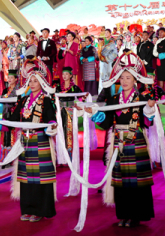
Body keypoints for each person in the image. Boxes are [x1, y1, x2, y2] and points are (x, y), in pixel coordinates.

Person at [85, 53, 158, 227]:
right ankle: (123, 215)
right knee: (121, 180)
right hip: (118, 143)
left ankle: (136, 215)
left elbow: (148, 123)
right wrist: (94, 114)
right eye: (122, 77)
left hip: (136, 141)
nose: (124, 81)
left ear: (135, 80)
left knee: (136, 181)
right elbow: (107, 123)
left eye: (128, 78)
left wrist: (149, 110)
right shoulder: (113, 100)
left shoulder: (142, 99)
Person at [0, 59, 58, 222]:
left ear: (42, 83)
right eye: (30, 81)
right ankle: (28, 209)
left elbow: (51, 119)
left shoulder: (46, 100)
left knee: (40, 178)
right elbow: (11, 120)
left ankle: (40, 210)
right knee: (25, 177)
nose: (32, 84)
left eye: (35, 81)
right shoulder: (23, 101)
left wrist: (52, 126)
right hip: (25, 142)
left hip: (40, 142)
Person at [57, 67, 84, 159]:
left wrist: (80, 103)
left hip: (70, 111)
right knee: (60, 130)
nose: (64, 76)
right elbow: (54, 99)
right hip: (60, 111)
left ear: (71, 75)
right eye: (63, 74)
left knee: (69, 131)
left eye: (66, 74)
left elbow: (81, 98)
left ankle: (69, 152)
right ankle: (61, 153)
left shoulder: (74, 88)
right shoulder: (58, 87)